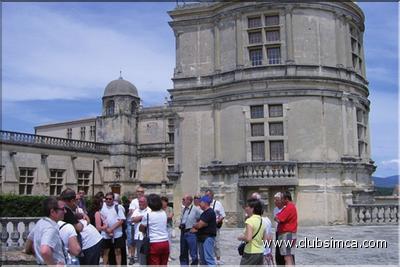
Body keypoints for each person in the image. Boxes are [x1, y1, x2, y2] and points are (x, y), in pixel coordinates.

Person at [25, 197, 67, 265]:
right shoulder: (51, 228)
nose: (65, 211)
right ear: (52, 212)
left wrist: (32, 252)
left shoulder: (41, 222)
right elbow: (45, 250)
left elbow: (29, 243)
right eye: (62, 209)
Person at [140, 194, 170, 266]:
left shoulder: (147, 215)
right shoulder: (163, 213)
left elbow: (141, 228)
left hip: (154, 243)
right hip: (165, 242)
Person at [237, 198, 267, 265]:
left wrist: (241, 237)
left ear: (252, 209)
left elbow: (248, 238)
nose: (245, 208)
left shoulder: (250, 221)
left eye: (247, 206)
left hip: (250, 252)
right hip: (260, 252)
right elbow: (265, 239)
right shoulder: (262, 221)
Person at [100, 192, 126, 266]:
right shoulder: (102, 207)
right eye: (106, 199)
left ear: (113, 199)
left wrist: (111, 229)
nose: (108, 200)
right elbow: (102, 221)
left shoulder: (118, 207)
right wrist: (107, 230)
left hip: (117, 233)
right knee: (106, 252)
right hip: (106, 233)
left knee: (117, 251)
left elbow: (121, 220)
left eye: (110, 199)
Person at [190, 195, 216, 266]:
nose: (199, 204)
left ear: (205, 203)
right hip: (202, 238)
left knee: (208, 259)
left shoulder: (209, 212)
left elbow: (200, 225)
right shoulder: (204, 213)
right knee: (203, 260)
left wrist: (194, 225)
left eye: (200, 202)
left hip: (207, 238)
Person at [274, 191, 297, 266]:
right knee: (288, 256)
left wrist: (277, 218)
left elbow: (279, 218)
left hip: (287, 234)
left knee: (287, 257)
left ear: (286, 199)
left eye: (282, 199)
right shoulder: (289, 207)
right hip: (287, 234)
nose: (281, 201)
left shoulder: (289, 207)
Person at [250, 192, 273, 264]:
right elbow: (270, 238)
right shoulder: (267, 220)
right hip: (264, 253)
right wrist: (270, 251)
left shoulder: (253, 220)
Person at [180, 194, 202, 265]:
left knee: (193, 254)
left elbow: (204, 218)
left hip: (191, 233)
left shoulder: (195, 209)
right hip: (183, 232)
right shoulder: (184, 209)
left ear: (189, 201)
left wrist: (197, 228)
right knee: (183, 253)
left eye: (184, 199)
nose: (182, 201)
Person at [205, 189, 226, 265]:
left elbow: (222, 215)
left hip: (215, 227)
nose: (206, 197)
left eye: (208, 195)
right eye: (206, 195)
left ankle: (218, 260)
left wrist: (217, 221)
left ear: (212, 195)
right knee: (208, 243)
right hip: (206, 227)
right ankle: (209, 258)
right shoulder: (205, 204)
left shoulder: (218, 204)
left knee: (216, 243)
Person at [132, 196, 151, 265]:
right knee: (140, 257)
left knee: (148, 256)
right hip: (138, 236)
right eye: (139, 202)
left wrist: (139, 218)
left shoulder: (150, 210)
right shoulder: (136, 210)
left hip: (147, 237)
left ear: (146, 202)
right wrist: (143, 217)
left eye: (142, 202)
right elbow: (133, 219)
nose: (140, 203)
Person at [128, 186, 145, 263]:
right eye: (138, 191)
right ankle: (132, 257)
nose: (140, 193)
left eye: (141, 192)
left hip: (143, 224)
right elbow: (131, 212)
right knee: (133, 241)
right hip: (134, 224)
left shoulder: (146, 200)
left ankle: (141, 256)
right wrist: (139, 215)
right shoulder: (134, 201)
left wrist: (138, 216)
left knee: (143, 240)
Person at [161, 196, 175, 261]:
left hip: (168, 227)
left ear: (166, 202)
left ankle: (168, 255)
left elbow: (170, 216)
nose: (163, 203)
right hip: (161, 227)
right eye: (162, 202)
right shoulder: (159, 209)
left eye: (164, 202)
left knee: (169, 242)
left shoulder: (170, 208)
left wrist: (162, 218)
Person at [273, 192, 285, 265]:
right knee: (278, 253)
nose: (275, 201)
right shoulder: (275, 209)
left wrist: (277, 219)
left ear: (281, 200)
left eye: (277, 200)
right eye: (274, 200)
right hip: (277, 232)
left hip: (284, 233)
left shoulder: (285, 209)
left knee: (285, 253)